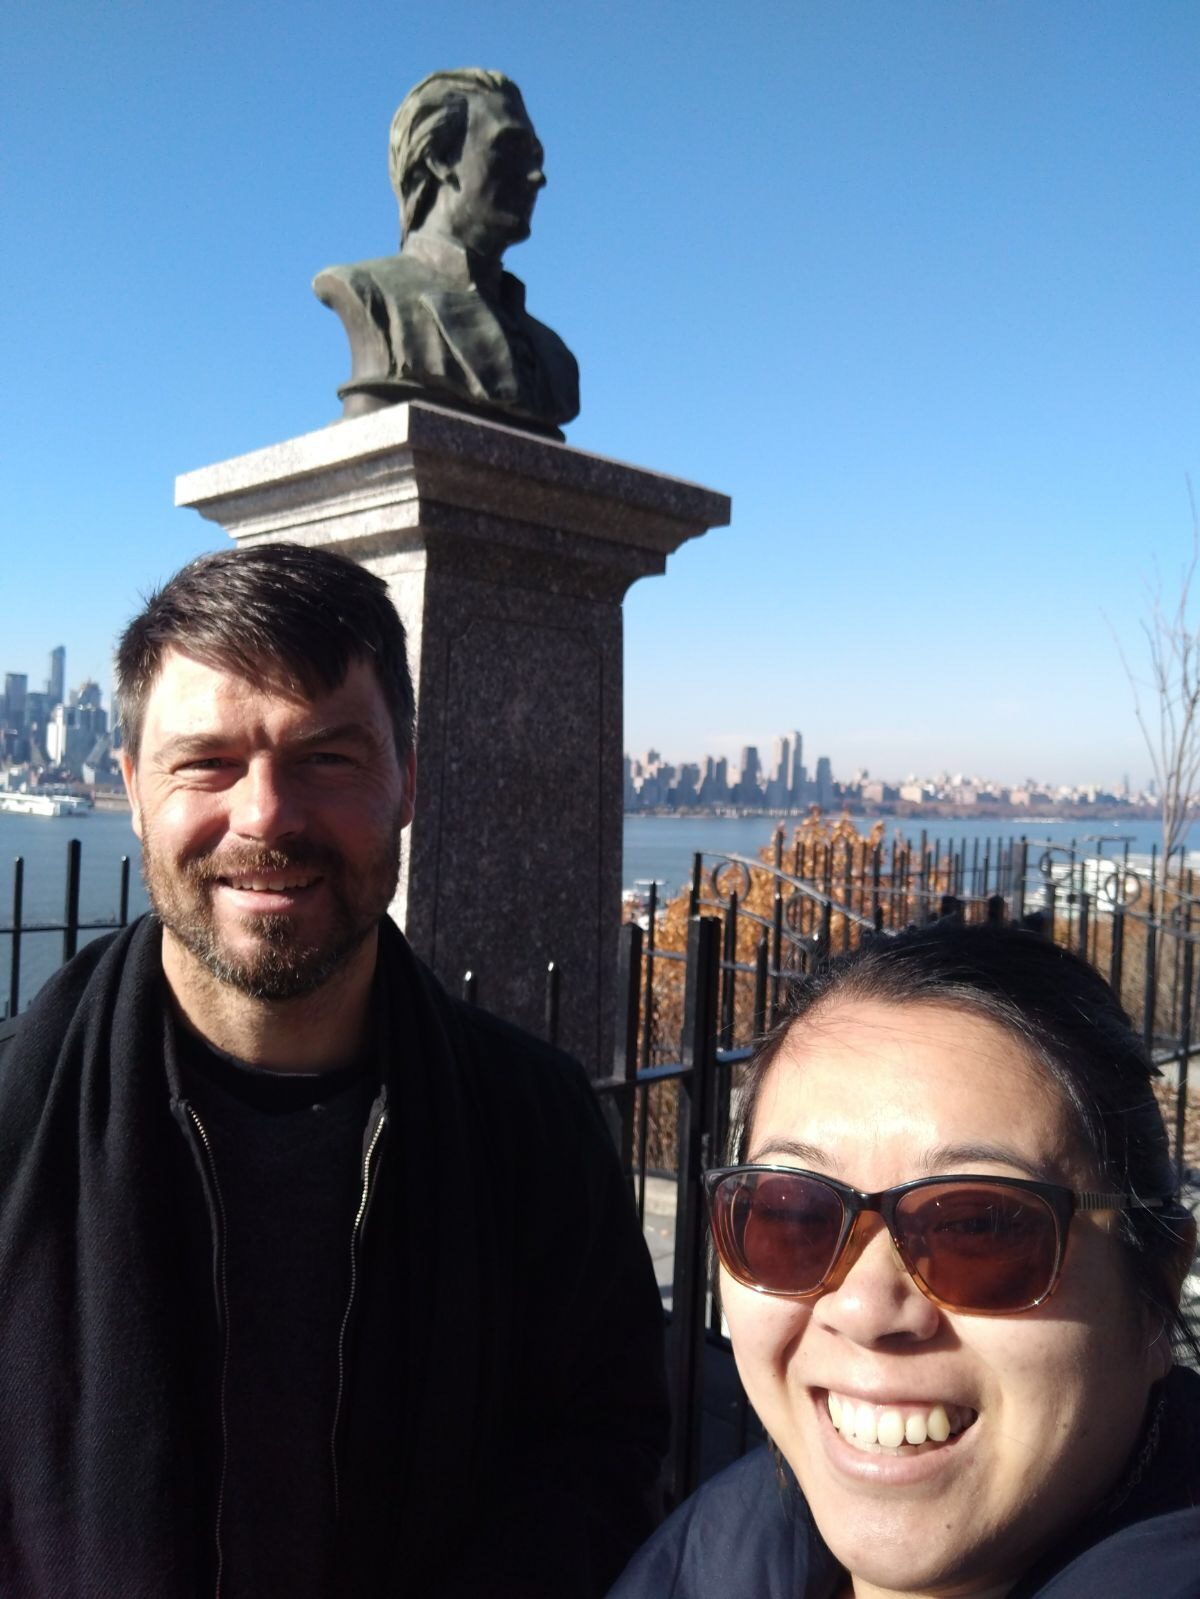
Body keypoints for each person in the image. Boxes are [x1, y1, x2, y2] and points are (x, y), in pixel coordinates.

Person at [0, 541, 668, 1598]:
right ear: (130, 790)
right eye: (206, 761)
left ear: (407, 782)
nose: (266, 815)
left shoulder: (534, 1126)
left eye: (327, 758)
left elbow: (609, 1446)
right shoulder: (13, 1117)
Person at [610, 920, 1200, 1598]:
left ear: (1154, 1288)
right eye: (792, 1212)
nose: (864, 1308)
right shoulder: (703, 1563)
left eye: (979, 1226)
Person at [314, 68, 580, 438]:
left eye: (536, 156)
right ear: (439, 159)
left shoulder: (553, 357)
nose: (537, 176)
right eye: (512, 149)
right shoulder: (371, 295)